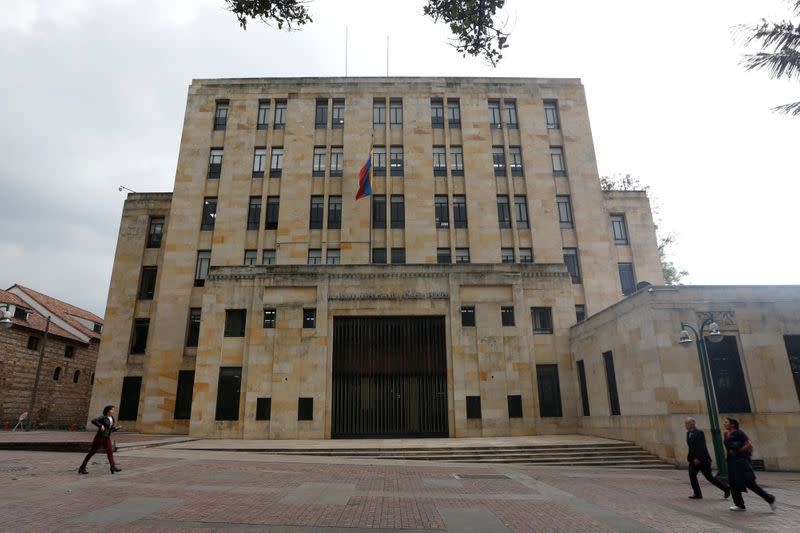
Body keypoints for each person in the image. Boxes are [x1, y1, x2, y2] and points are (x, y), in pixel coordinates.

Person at [724, 417, 776, 512]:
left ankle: (770, 498)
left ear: (732, 424)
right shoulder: (726, 434)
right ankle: (739, 505)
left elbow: (749, 445)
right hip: (732, 462)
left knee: (750, 483)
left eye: (726, 422)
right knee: (733, 483)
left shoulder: (739, 433)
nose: (724, 423)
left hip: (741, 462)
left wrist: (739, 451)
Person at [684, 417, 729, 499]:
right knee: (692, 474)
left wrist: (698, 458)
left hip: (702, 460)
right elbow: (691, 447)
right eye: (685, 423)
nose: (685, 425)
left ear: (692, 423)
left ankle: (725, 488)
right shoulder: (688, 433)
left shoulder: (699, 432)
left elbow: (701, 446)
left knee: (709, 477)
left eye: (686, 423)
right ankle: (697, 493)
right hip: (693, 459)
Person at [78, 405, 122, 474]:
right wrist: (100, 425)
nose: (114, 411)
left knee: (110, 451)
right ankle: (82, 467)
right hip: (100, 437)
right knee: (92, 452)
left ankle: (112, 466)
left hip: (107, 437)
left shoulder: (112, 418)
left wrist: (116, 428)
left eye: (114, 410)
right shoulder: (103, 417)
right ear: (108, 411)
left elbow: (110, 429)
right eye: (112, 410)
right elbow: (93, 421)